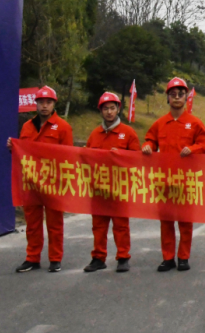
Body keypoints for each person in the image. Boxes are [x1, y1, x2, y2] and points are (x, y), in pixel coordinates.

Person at [142, 77, 205, 272]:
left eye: (181, 94)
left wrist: (193, 149)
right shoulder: (160, 123)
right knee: (166, 221)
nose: (177, 97)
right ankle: (168, 258)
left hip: (186, 180)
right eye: (173, 94)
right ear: (168, 98)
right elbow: (150, 140)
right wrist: (148, 146)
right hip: (164, 180)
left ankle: (183, 257)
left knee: (185, 221)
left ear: (186, 97)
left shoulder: (195, 123)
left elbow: (204, 145)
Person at [9, 86, 73, 273]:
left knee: (55, 223)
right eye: (41, 102)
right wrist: (13, 148)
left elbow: (69, 156)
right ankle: (32, 258)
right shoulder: (27, 127)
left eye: (48, 102)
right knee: (32, 223)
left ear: (54, 104)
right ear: (35, 104)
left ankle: (55, 259)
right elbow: (23, 153)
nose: (44, 106)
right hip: (31, 183)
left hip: (53, 183)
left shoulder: (63, 127)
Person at [84, 92, 142, 273]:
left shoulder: (128, 133)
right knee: (98, 226)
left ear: (118, 109)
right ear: (100, 111)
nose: (109, 112)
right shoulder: (95, 134)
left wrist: (122, 156)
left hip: (119, 188)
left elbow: (137, 159)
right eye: (105, 109)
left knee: (121, 225)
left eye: (112, 108)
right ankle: (98, 257)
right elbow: (86, 159)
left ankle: (123, 257)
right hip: (99, 188)